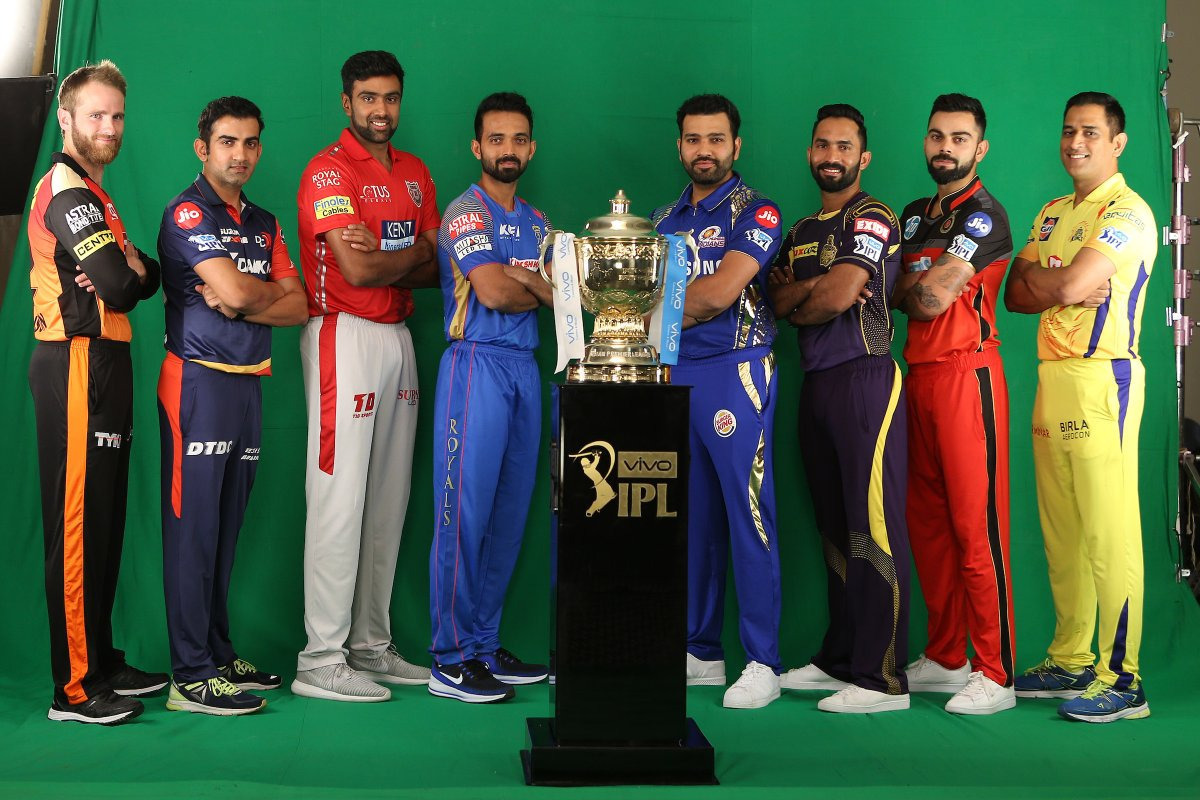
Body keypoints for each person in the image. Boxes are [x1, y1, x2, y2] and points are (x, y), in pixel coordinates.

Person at [292, 50, 439, 702]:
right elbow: (356, 271)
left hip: (398, 336)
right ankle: (319, 659)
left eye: (391, 97)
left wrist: (396, 253)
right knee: (338, 498)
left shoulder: (416, 173)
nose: (381, 110)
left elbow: (437, 268)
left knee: (388, 499)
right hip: (342, 333)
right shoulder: (328, 170)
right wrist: (414, 251)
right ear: (347, 102)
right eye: (368, 98)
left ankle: (369, 645)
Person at [1004, 92, 1154, 723]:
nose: (1075, 143)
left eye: (1090, 132)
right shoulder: (1051, 213)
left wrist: (1055, 282)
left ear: (1117, 143)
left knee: (1107, 533)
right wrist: (1059, 285)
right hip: (1052, 377)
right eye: (1069, 131)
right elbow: (1015, 293)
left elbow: (1059, 282)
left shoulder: (1127, 211)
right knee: (1062, 533)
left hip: (1102, 379)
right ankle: (1070, 659)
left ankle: (1125, 679)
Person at [156, 96, 307, 715]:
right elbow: (245, 291)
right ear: (203, 148)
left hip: (248, 384)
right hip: (197, 382)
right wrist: (255, 294)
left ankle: (217, 653)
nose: (239, 154)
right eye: (227, 142)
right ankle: (190, 675)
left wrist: (247, 300)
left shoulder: (264, 222)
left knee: (225, 529)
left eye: (249, 143)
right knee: (192, 531)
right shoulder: (187, 211)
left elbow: (298, 307)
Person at [27, 60, 164, 725]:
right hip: (76, 361)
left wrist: (130, 268)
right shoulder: (66, 189)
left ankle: (103, 661)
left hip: (108, 362)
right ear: (66, 118)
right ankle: (74, 688)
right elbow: (118, 284)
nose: (108, 127)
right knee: (79, 525)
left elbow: (145, 274)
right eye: (95, 115)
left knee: (105, 521)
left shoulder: (95, 195)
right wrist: (124, 270)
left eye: (117, 116)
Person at [768, 104, 910, 714]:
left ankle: (883, 678)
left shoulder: (872, 215)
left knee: (872, 526)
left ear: (863, 157)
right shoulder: (801, 230)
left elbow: (841, 293)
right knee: (833, 525)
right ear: (810, 153)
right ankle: (843, 656)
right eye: (823, 145)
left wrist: (810, 298)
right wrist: (810, 294)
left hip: (866, 378)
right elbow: (776, 301)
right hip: (817, 382)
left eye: (844, 146)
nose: (832, 156)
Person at [652, 93, 784, 710]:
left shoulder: (757, 210)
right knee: (692, 517)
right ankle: (700, 650)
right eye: (693, 139)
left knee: (748, 514)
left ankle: (763, 660)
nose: (704, 150)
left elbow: (719, 293)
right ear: (679, 145)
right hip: (674, 372)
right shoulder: (662, 219)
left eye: (716, 139)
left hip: (736, 371)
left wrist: (638, 315)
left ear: (736, 145)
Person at [890, 94, 1017, 715]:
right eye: (937, 135)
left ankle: (996, 672)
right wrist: (917, 282)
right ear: (926, 142)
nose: (946, 147)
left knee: (977, 530)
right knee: (930, 528)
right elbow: (900, 290)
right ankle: (947, 657)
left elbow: (927, 300)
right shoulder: (914, 215)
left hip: (969, 378)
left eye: (960, 138)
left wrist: (911, 282)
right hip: (917, 377)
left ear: (979, 148)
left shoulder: (985, 217)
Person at [428, 92, 552, 704]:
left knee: (508, 517)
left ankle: (483, 643)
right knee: (464, 514)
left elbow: (567, 297)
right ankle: (449, 657)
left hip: (525, 367)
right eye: (496, 139)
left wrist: (523, 278)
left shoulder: (539, 222)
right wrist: (531, 281)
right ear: (477, 146)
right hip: (475, 365)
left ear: (532, 147)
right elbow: (496, 294)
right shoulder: (465, 212)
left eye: (518, 139)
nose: (508, 149)